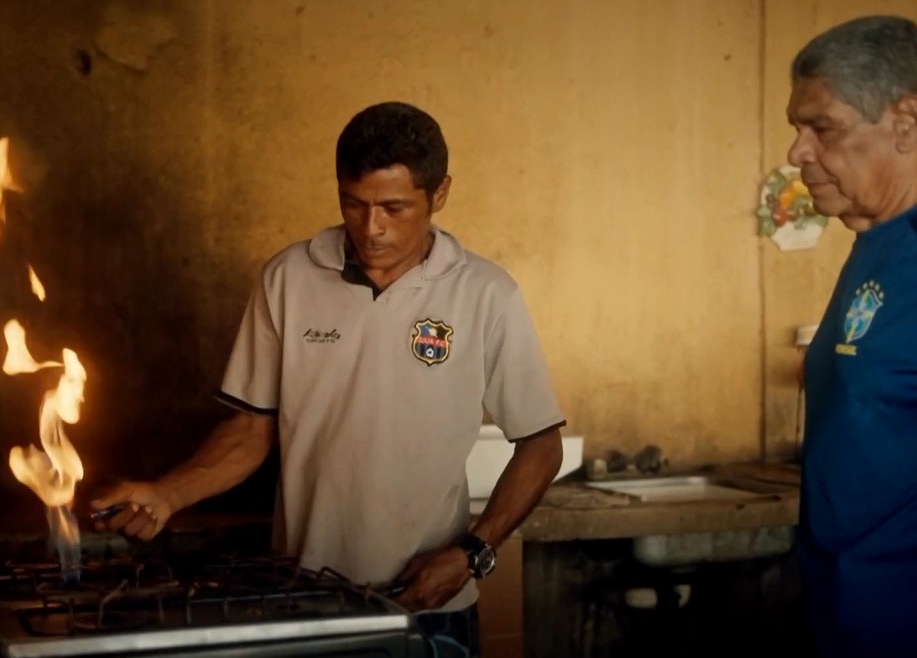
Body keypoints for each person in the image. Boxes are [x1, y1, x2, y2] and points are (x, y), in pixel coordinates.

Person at [92, 101, 565, 656]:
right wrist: (167, 494)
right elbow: (251, 432)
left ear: (439, 195)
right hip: (301, 602)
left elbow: (541, 444)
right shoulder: (289, 278)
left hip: (428, 609)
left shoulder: (486, 294)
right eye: (353, 203)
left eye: (394, 207)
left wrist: (472, 553)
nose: (372, 228)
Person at [787, 16, 917, 658]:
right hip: (841, 623)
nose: (797, 152)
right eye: (796, 129)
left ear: (907, 124)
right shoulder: (878, 241)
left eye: (823, 128)